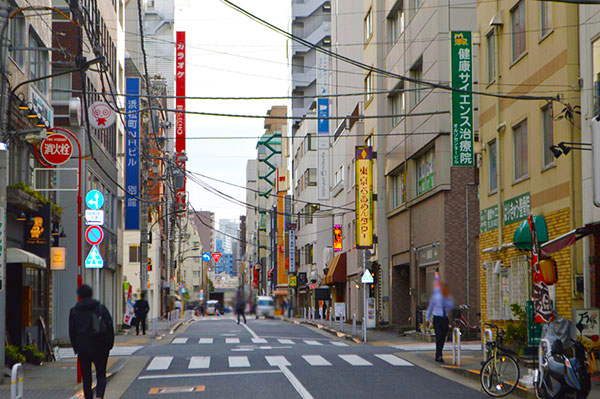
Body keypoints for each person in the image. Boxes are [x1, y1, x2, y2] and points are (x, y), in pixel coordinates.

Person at [69, 284, 114, 399]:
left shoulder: (74, 311)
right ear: (91, 294)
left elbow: (72, 331)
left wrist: (76, 348)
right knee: (101, 374)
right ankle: (99, 396)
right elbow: (109, 326)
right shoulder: (100, 308)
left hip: (83, 349)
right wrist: (109, 344)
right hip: (100, 347)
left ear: (79, 295)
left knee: (86, 377)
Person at [426, 283, 454, 363]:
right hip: (437, 318)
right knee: (438, 336)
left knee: (443, 337)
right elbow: (430, 308)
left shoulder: (448, 297)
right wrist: (427, 319)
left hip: (445, 318)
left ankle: (439, 352)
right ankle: (439, 355)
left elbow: (451, 306)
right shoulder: (435, 297)